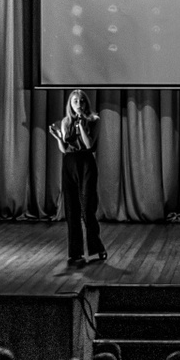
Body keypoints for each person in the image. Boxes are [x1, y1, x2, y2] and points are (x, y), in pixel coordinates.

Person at [47, 88, 105, 266]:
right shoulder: (65, 121)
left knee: (87, 207)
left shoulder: (94, 120)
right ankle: (75, 253)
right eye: (75, 101)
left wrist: (80, 125)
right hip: (70, 163)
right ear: (70, 104)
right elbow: (65, 149)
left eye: (82, 101)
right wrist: (58, 137)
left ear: (86, 103)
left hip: (86, 162)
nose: (79, 104)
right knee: (71, 209)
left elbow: (89, 145)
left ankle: (96, 248)